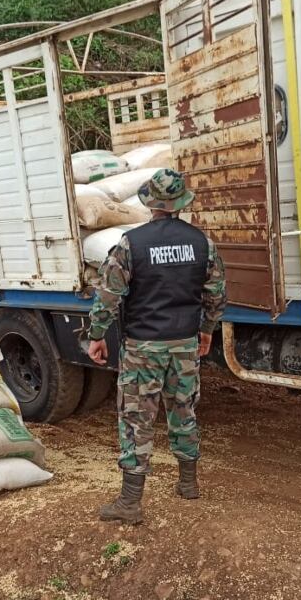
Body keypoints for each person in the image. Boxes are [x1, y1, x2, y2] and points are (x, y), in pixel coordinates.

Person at [87, 168, 227, 525]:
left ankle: (130, 504)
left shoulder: (132, 244)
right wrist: (207, 330)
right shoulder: (202, 243)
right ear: (180, 204)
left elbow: (109, 296)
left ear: (151, 203)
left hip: (143, 348)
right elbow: (216, 294)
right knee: (184, 411)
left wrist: (97, 334)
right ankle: (188, 484)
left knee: (137, 420)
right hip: (184, 346)